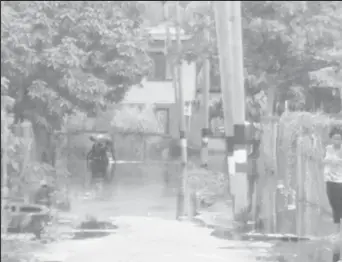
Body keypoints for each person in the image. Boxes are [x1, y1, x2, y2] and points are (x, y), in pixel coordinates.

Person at [323, 131, 342, 236]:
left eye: (339, 138)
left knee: (340, 205)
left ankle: (338, 231)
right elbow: (322, 161)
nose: (337, 141)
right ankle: (337, 231)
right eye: (335, 138)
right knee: (333, 204)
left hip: (340, 181)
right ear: (331, 139)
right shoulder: (328, 149)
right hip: (329, 180)